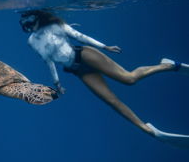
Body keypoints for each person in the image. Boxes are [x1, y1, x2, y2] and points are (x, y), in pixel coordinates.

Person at [19, 9, 189, 148]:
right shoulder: (32, 42)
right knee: (111, 101)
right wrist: (57, 83)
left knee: (129, 79)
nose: (28, 27)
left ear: (37, 18)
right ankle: (148, 130)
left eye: (30, 23)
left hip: (84, 55)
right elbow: (48, 60)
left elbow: (80, 36)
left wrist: (104, 47)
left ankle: (167, 65)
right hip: (77, 70)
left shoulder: (55, 25)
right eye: (25, 25)